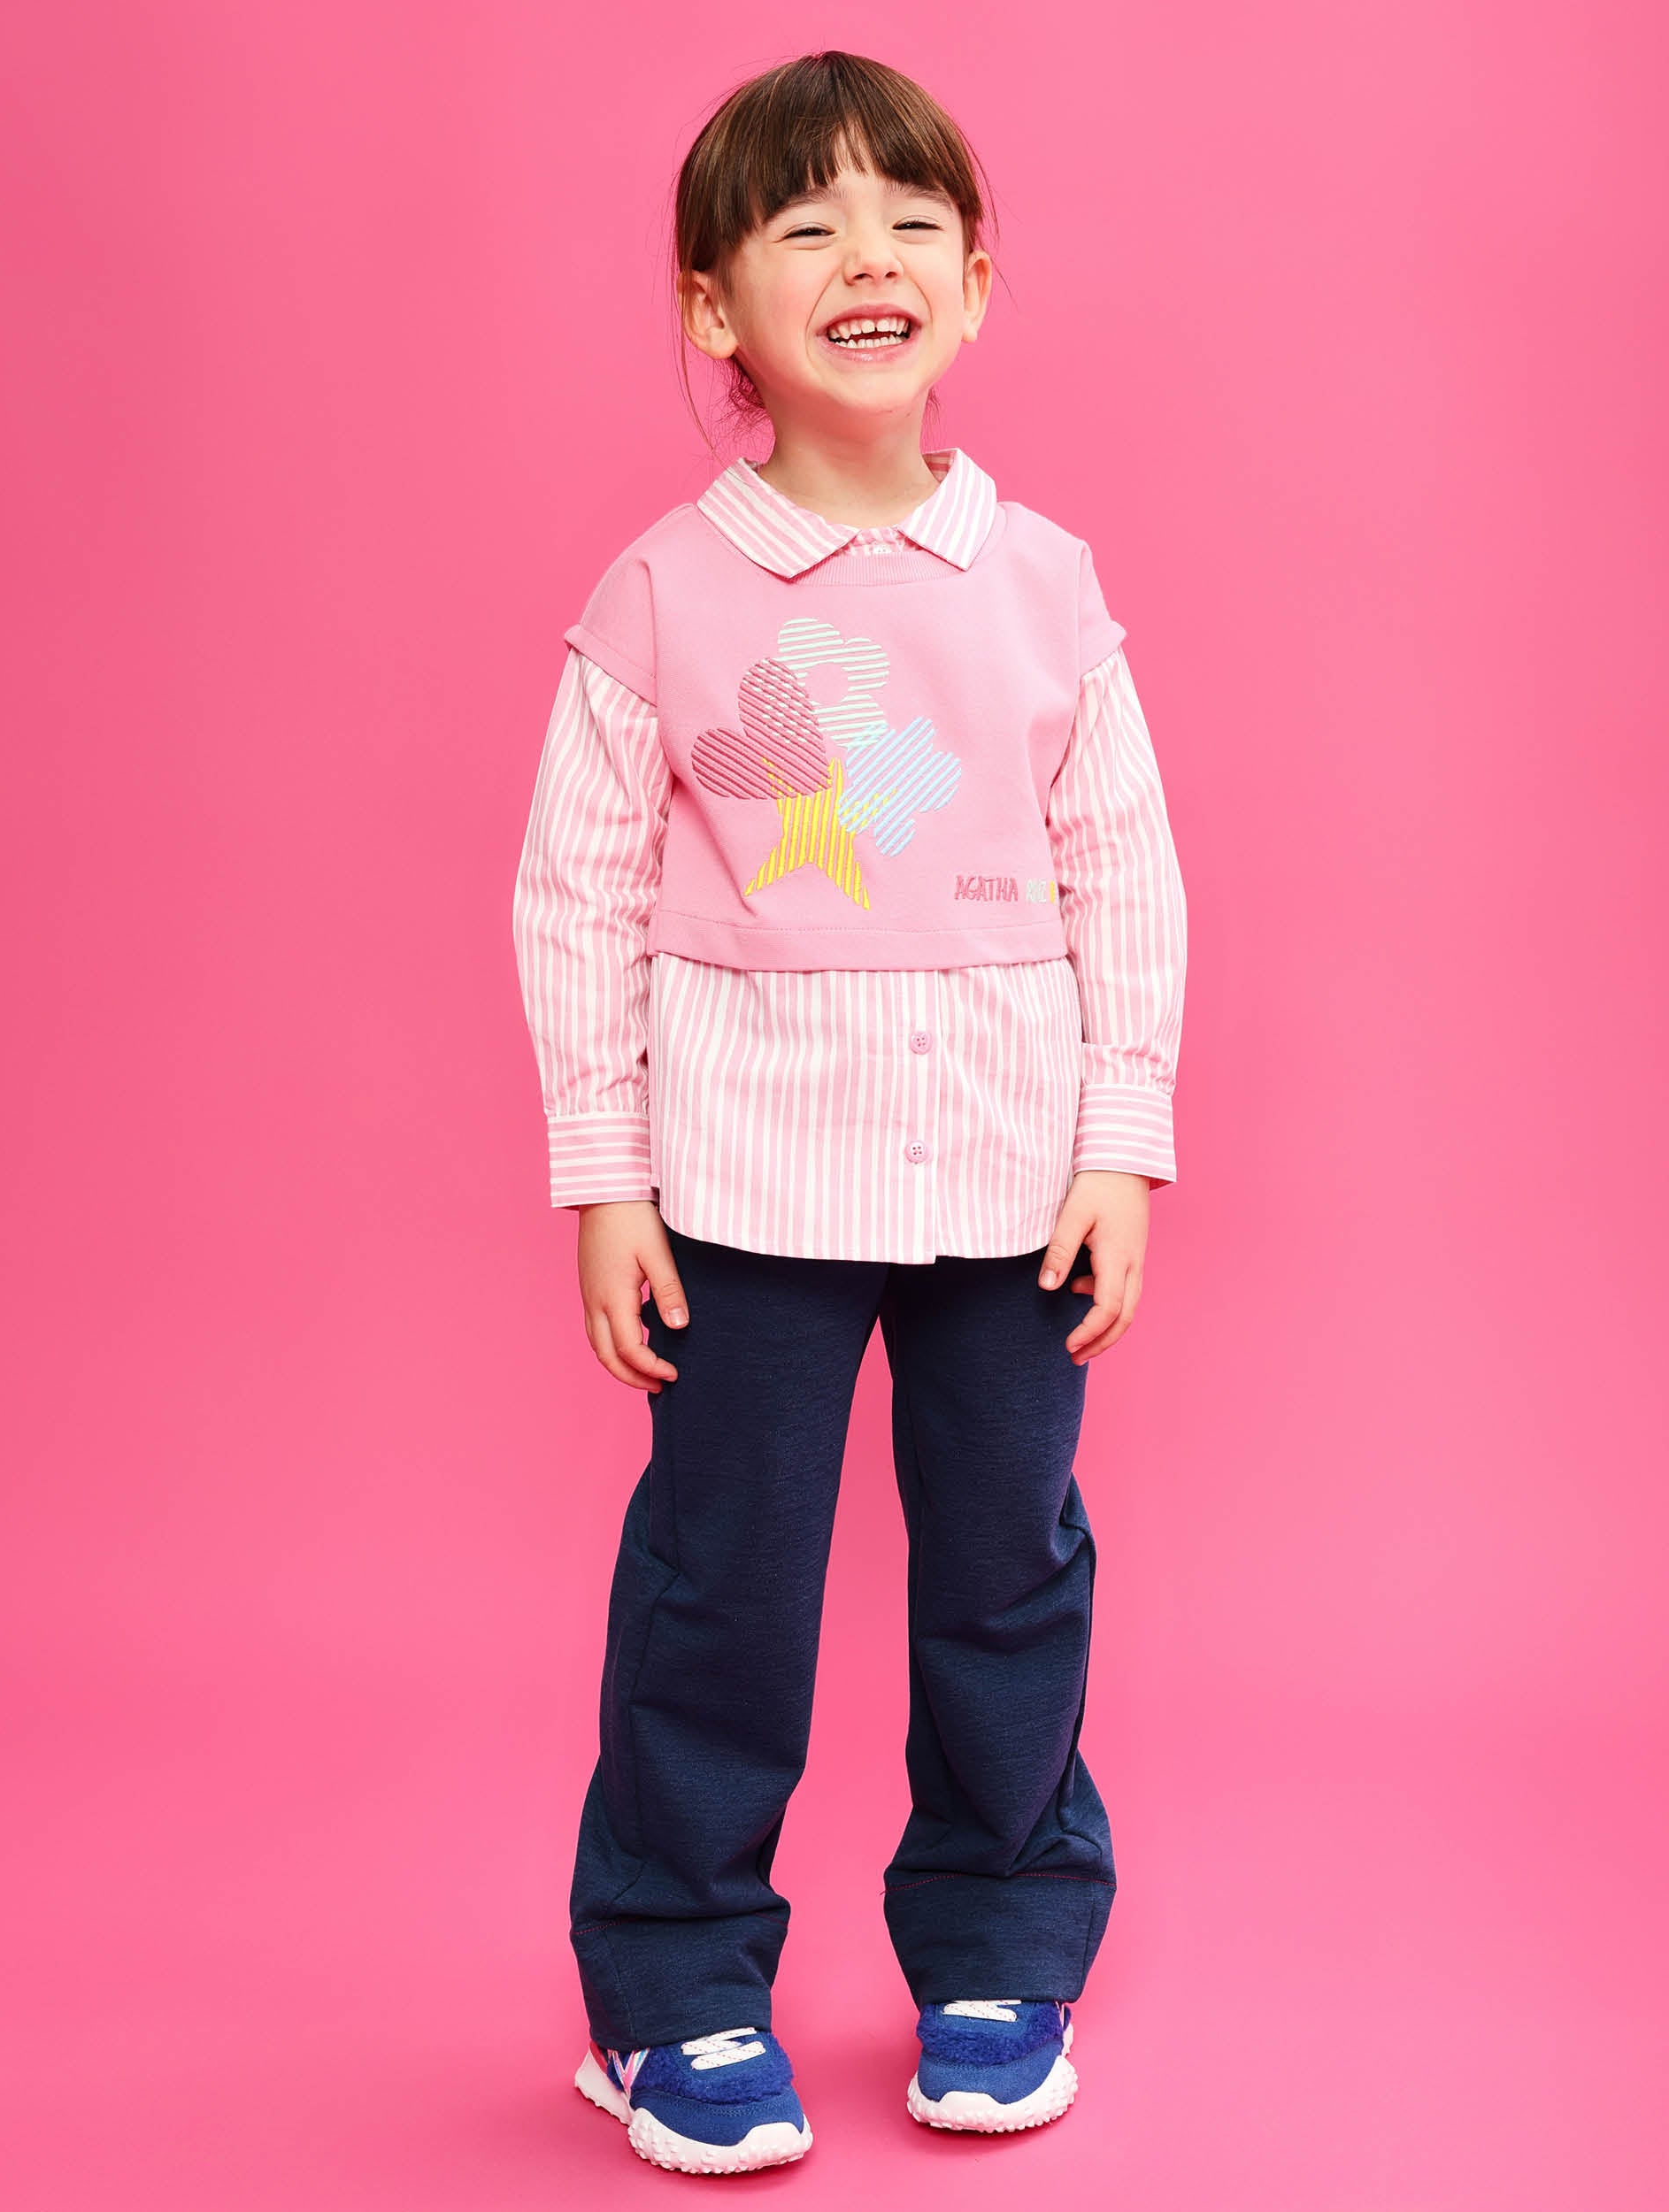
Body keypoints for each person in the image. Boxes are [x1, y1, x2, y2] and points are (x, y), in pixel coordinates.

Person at [511, 49, 1187, 2177]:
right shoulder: (661, 593)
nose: (863, 255)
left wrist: (1119, 1139)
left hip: (1007, 1175)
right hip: (742, 1182)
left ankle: (998, 1945)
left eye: (908, 220)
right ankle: (672, 1983)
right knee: (721, 1584)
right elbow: (576, 889)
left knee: (1007, 1574)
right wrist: (608, 1175)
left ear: (973, 282)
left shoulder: (1046, 581)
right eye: (803, 224)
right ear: (715, 304)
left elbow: (1124, 871)